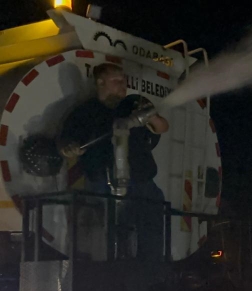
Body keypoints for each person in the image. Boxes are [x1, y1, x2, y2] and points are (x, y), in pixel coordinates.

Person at [57, 63, 170, 261]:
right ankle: (105, 269)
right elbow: (65, 145)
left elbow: (162, 127)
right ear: (100, 82)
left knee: (151, 226)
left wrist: (151, 114)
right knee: (103, 234)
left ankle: (151, 269)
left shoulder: (133, 105)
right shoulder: (84, 113)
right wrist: (69, 148)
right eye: (117, 81)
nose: (123, 85)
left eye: (124, 80)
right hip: (102, 184)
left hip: (142, 182)